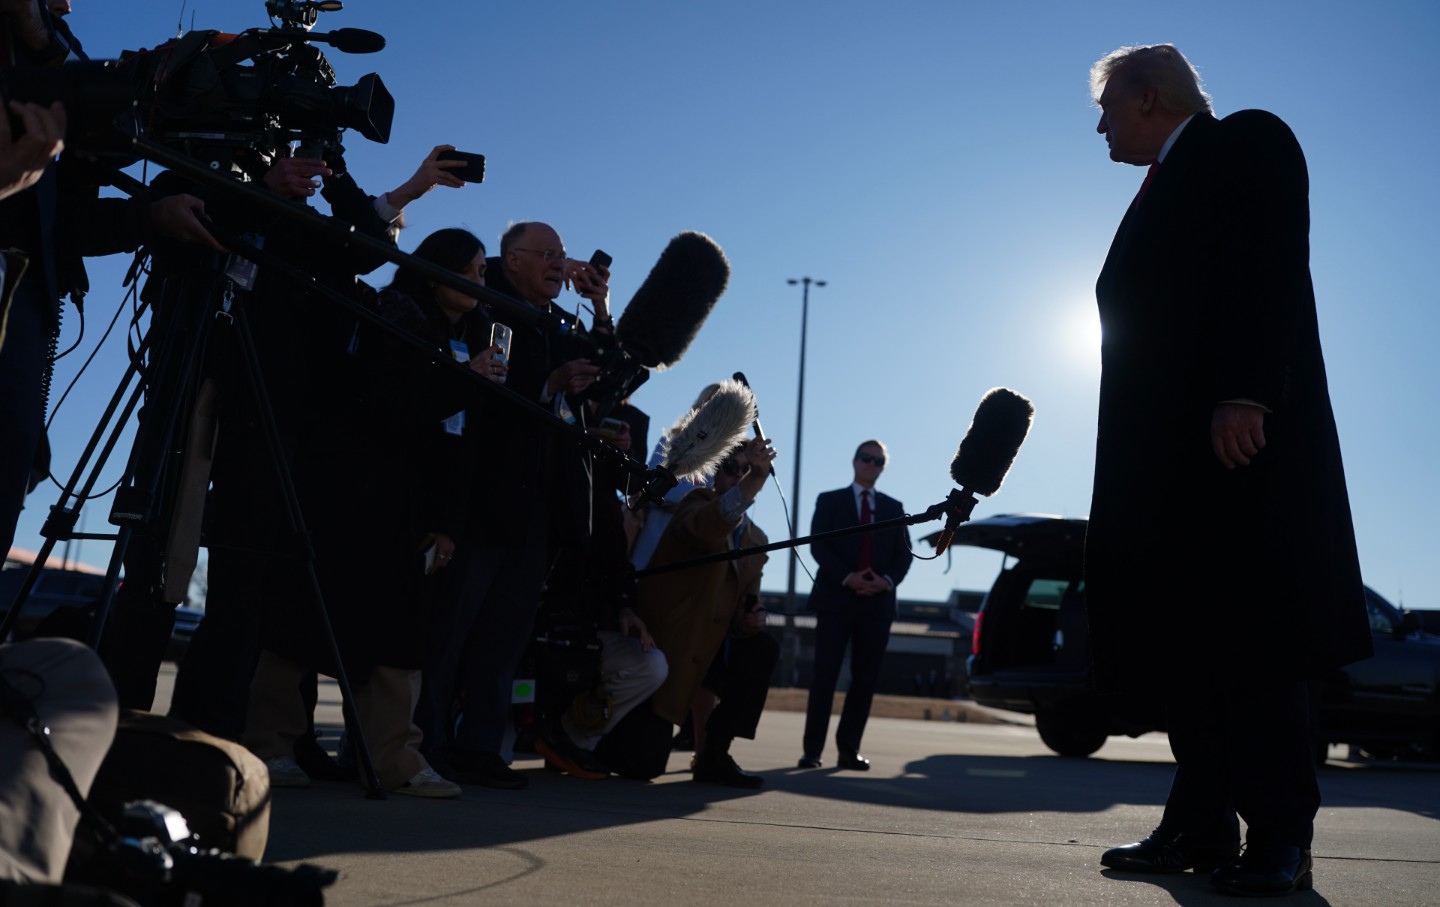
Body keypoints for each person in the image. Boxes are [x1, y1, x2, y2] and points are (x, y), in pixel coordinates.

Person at [1083, 44, 1372, 897]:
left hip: (1238, 457)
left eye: (1105, 109)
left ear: (1147, 97)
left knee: (1256, 643)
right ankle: (1200, 823)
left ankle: (1282, 836)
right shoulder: (1161, 186)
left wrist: (1245, 391)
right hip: (1174, 475)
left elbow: (1267, 265)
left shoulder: (1243, 141)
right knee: (1192, 652)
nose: (1099, 129)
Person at [415, 220, 608, 788]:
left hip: (537, 510)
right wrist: (548, 385)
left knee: (504, 639)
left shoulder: (558, 322)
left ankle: (481, 748)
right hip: (483, 502)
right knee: (450, 631)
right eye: (546, 254)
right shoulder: (484, 306)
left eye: (562, 255)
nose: (558, 264)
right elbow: (487, 397)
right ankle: (425, 744)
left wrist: (600, 307)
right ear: (513, 260)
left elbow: (606, 378)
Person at [627, 437, 779, 788]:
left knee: (762, 648)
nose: (739, 475)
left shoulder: (756, 538)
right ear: (714, 472)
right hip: (673, 649)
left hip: (714, 650)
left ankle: (714, 752)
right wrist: (757, 477)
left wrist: (751, 619)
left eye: (746, 470)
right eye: (731, 468)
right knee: (642, 765)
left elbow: (746, 603)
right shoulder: (694, 505)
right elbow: (714, 523)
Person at [799, 440, 911, 771]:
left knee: (865, 680)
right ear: (854, 460)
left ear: (883, 468)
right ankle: (812, 751)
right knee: (825, 676)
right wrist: (848, 577)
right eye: (866, 458)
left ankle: (849, 749)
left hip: (877, 605)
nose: (871, 464)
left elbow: (904, 555)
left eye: (878, 461)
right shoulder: (830, 500)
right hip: (836, 600)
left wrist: (885, 581)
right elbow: (818, 545)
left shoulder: (894, 507)